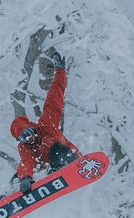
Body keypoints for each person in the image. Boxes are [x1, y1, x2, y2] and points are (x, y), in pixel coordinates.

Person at [9, 50, 82, 194]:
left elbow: (54, 97)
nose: (29, 139)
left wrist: (60, 72)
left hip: (68, 158)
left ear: (32, 128)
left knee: (52, 146)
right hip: (47, 169)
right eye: (24, 137)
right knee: (18, 174)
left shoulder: (46, 125)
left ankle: (60, 169)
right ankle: (11, 195)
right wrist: (25, 178)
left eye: (29, 133)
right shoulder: (25, 147)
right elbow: (26, 162)